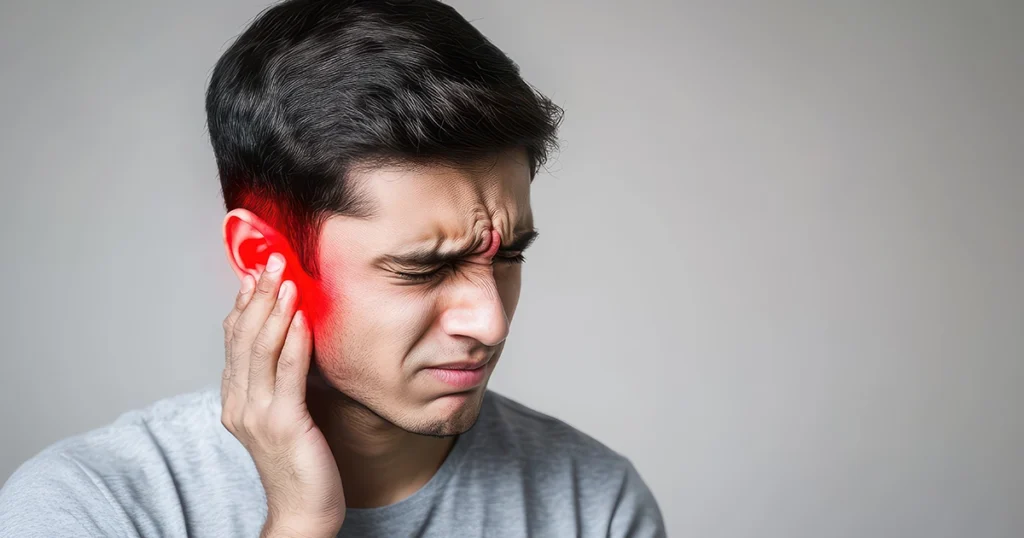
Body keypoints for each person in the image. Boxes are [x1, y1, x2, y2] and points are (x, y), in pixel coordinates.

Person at [0, 0, 666, 536]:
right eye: (423, 268)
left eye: (509, 255)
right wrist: (299, 524)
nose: (490, 322)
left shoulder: (594, 506)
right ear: (263, 257)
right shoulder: (88, 508)